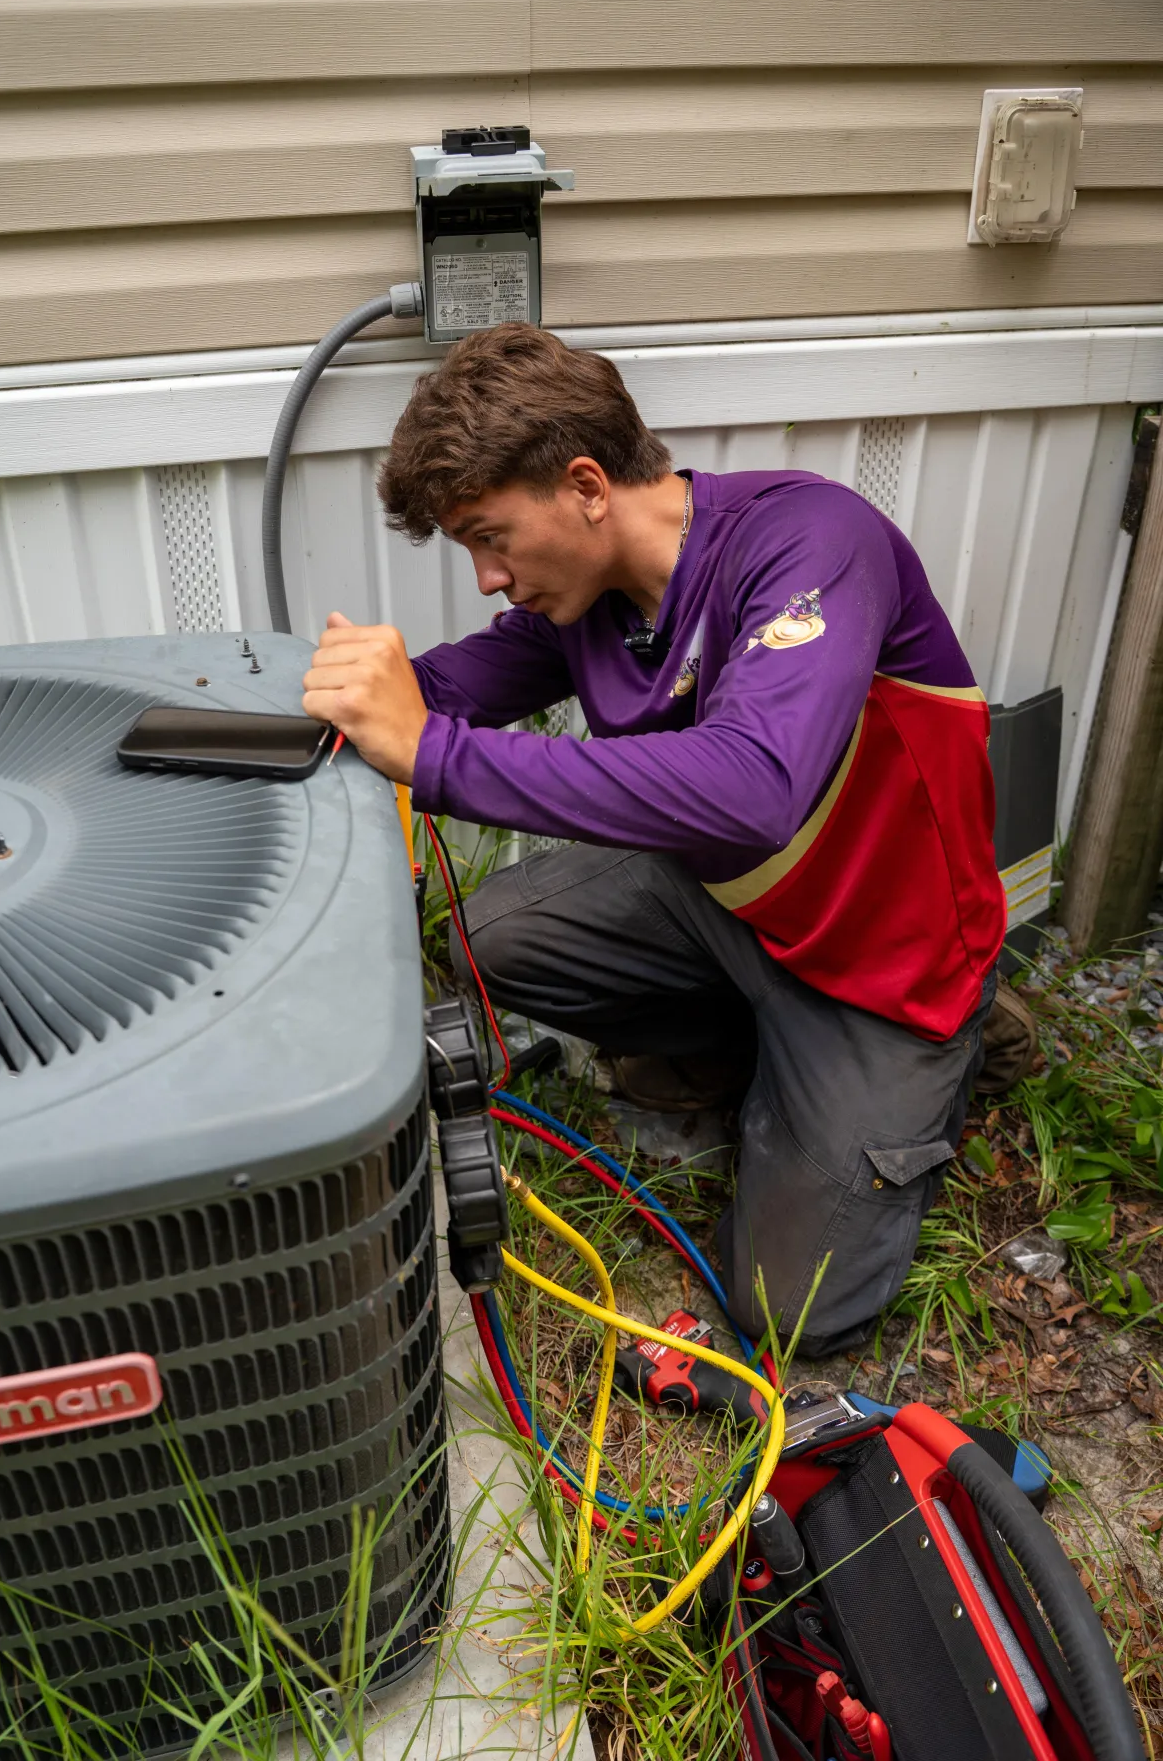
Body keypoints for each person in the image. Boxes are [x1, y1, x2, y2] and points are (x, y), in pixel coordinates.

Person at [302, 322, 1020, 1354]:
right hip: (732, 907)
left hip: (885, 964)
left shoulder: (810, 543)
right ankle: (750, 1050)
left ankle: (949, 1048)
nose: (488, 577)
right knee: (494, 939)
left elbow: (755, 790)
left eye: (491, 536)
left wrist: (434, 756)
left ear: (586, 486)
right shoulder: (591, 601)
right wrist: (348, 698)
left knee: (790, 1313)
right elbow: (443, 695)